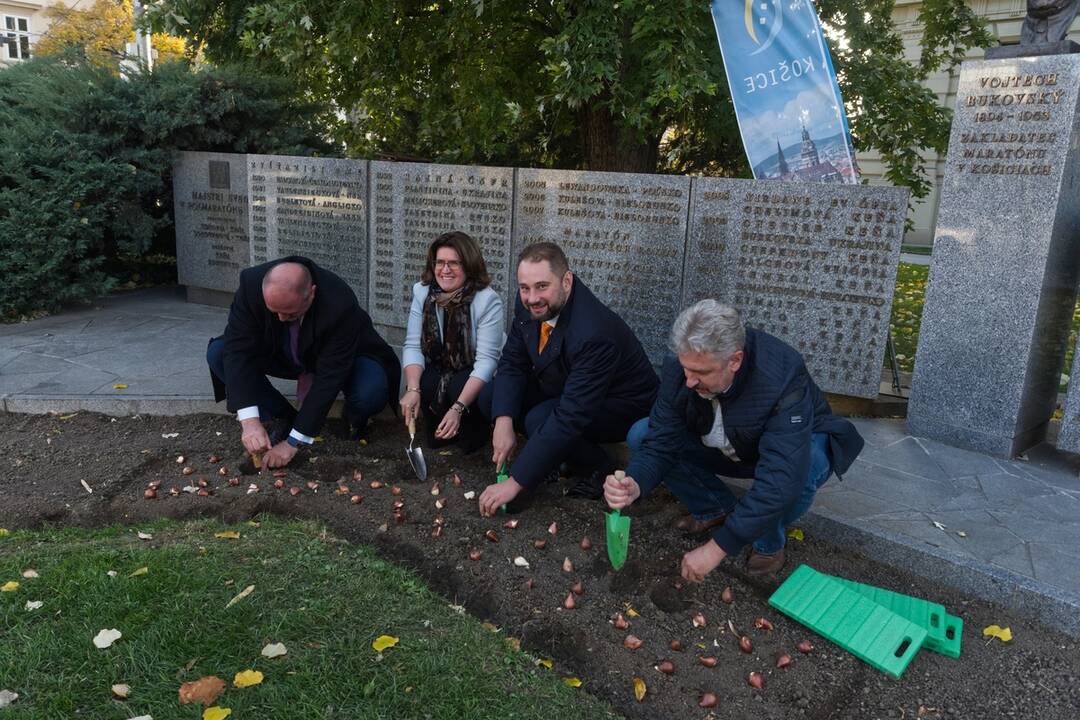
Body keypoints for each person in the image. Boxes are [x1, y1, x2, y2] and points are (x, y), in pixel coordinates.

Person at [604, 299, 864, 580]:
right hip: (729, 445)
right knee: (642, 434)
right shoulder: (683, 365)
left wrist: (717, 548)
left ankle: (768, 542)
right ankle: (715, 507)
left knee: (800, 472)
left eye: (701, 373)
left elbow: (781, 477)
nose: (689, 381)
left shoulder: (782, 375)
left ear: (735, 361)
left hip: (789, 447)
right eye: (686, 369)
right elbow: (661, 438)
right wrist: (636, 483)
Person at [477, 242, 659, 515]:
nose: (532, 298)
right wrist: (503, 421)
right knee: (493, 397)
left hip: (621, 404)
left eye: (541, 286)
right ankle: (554, 458)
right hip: (565, 384)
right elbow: (513, 362)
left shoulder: (593, 333)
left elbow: (571, 415)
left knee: (541, 418)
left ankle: (601, 466)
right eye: (524, 288)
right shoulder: (529, 304)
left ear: (567, 280)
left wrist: (516, 482)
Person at [207, 256, 400, 468]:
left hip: (347, 358)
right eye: (274, 311)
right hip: (282, 353)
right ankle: (283, 416)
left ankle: (354, 420)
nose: (280, 319)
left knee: (369, 394)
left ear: (311, 294)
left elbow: (330, 375)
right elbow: (238, 351)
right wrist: (250, 421)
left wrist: (292, 443)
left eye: (289, 313)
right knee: (219, 353)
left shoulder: (339, 302)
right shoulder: (250, 284)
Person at [399, 231, 504, 451]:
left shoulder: (487, 300)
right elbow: (412, 345)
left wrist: (457, 408)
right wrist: (413, 389)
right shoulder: (422, 293)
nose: (445, 270)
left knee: (459, 386)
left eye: (454, 263)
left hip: (475, 369)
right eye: (440, 262)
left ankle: (475, 432)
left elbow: (486, 362)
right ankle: (445, 431)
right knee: (426, 382)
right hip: (442, 365)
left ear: (469, 266)